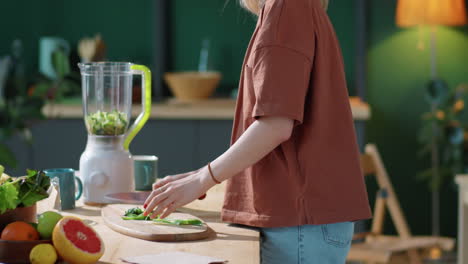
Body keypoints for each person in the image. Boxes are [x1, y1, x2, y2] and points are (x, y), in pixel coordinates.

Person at [144, 0, 372, 262]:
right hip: (303, 222)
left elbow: (275, 126)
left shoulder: (287, 8)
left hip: (297, 224)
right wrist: (197, 175)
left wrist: (202, 180)